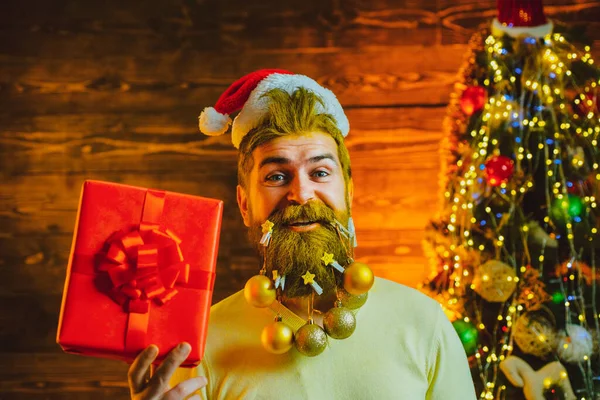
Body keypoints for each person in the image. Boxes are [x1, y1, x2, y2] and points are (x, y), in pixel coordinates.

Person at [128, 69, 477, 400]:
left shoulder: (424, 323)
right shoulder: (198, 346)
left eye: (320, 172)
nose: (302, 193)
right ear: (245, 203)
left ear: (349, 194)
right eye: (277, 177)